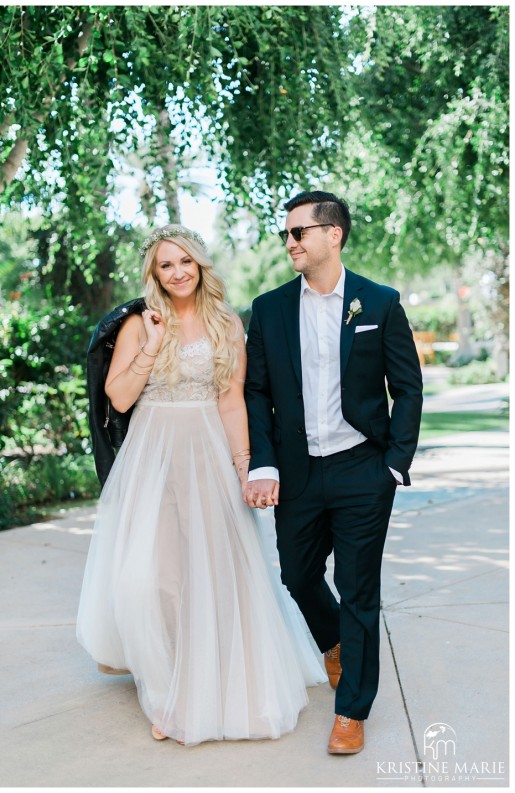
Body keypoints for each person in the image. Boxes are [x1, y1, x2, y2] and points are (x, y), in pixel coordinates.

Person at [77, 224, 326, 747]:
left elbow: (232, 399)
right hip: (153, 458)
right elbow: (118, 399)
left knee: (215, 573)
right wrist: (155, 343)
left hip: (209, 456)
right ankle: (168, 685)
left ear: (200, 265)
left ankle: (209, 686)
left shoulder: (226, 323)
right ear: (155, 273)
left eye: (185, 261)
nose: (178, 272)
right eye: (166, 265)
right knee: (154, 579)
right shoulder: (140, 323)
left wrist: (244, 467)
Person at [243, 191, 423, 754]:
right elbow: (257, 391)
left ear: (334, 234)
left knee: (357, 590)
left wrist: (393, 464)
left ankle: (352, 711)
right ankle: (334, 642)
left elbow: (409, 387)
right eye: (287, 234)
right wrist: (264, 461)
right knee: (297, 576)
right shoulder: (269, 308)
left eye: (300, 232)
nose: (290, 242)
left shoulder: (380, 302)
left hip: (361, 470)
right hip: (296, 472)